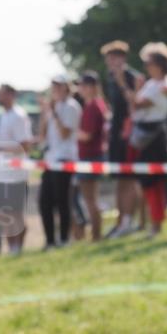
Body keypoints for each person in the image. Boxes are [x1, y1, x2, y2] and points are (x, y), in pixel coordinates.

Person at [121, 43, 167, 238]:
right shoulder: (151, 84)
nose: (146, 66)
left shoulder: (164, 83)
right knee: (145, 183)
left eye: (149, 62)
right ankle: (148, 223)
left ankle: (156, 224)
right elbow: (135, 107)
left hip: (154, 136)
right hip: (143, 135)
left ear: (160, 64)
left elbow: (138, 103)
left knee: (153, 183)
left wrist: (134, 91)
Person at [102, 41, 145, 238]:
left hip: (129, 137)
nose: (111, 62)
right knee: (121, 180)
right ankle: (122, 220)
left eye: (114, 57)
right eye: (108, 59)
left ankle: (129, 220)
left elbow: (134, 105)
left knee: (129, 179)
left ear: (123, 58)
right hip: (116, 136)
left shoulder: (132, 77)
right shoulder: (110, 79)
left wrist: (121, 83)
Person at [0, 83, 34, 256]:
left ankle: (18, 248)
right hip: (2, 173)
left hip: (15, 175)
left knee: (16, 213)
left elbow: (25, 145)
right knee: (4, 213)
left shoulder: (18, 115)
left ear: (9, 95)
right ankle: (12, 248)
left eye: (0, 93)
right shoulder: (4, 116)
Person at [38, 75, 83, 249]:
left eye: (58, 86)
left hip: (65, 158)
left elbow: (65, 133)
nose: (55, 90)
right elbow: (42, 136)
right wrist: (45, 113)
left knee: (63, 201)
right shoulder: (53, 108)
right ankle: (50, 240)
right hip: (51, 160)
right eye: (53, 86)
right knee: (44, 202)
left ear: (66, 87)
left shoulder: (72, 107)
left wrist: (54, 113)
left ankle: (64, 238)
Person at [76, 71, 108, 242]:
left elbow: (87, 135)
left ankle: (96, 235)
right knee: (90, 199)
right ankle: (96, 234)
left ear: (89, 87)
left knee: (90, 200)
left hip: (90, 157)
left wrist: (73, 133)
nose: (79, 89)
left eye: (81, 85)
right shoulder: (95, 105)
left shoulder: (93, 106)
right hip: (91, 157)